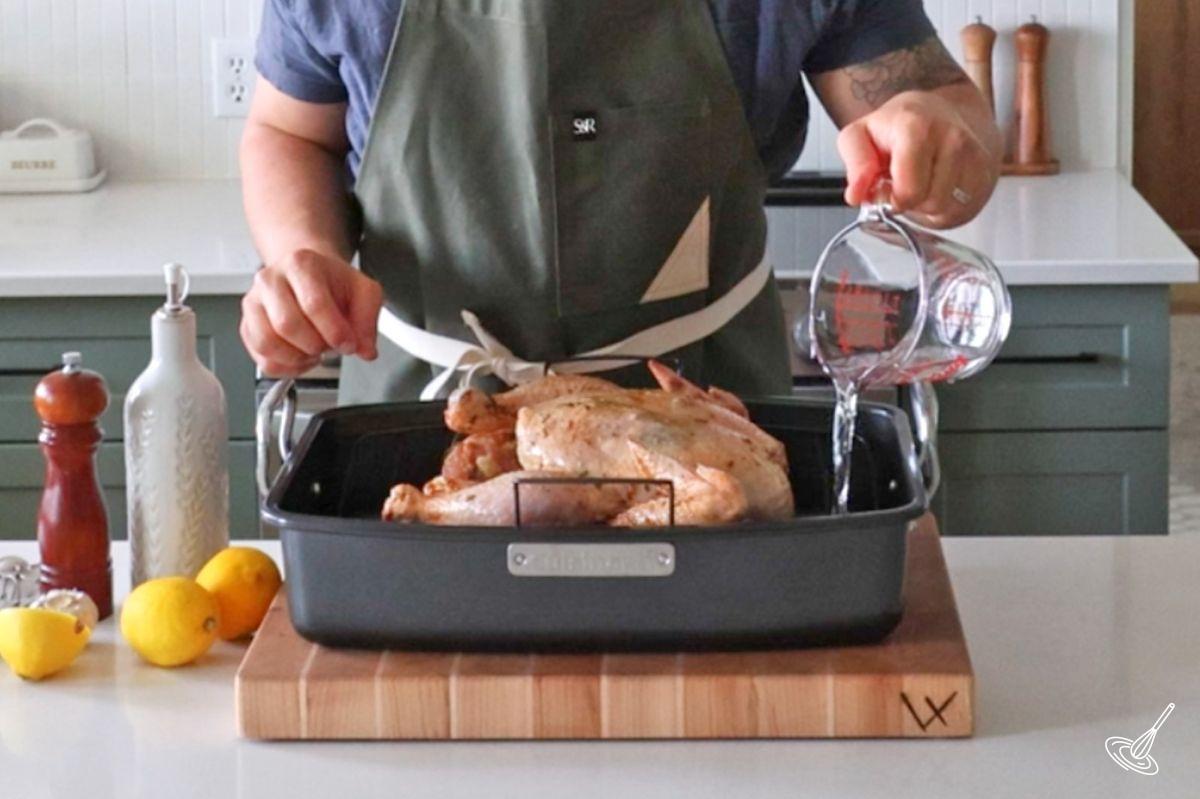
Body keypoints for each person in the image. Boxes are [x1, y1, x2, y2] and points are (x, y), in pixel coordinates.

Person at [239, 0, 1002, 402]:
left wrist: (940, 148)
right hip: (425, 422)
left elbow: (946, 121)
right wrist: (303, 255)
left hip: (711, 424)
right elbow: (288, 131)